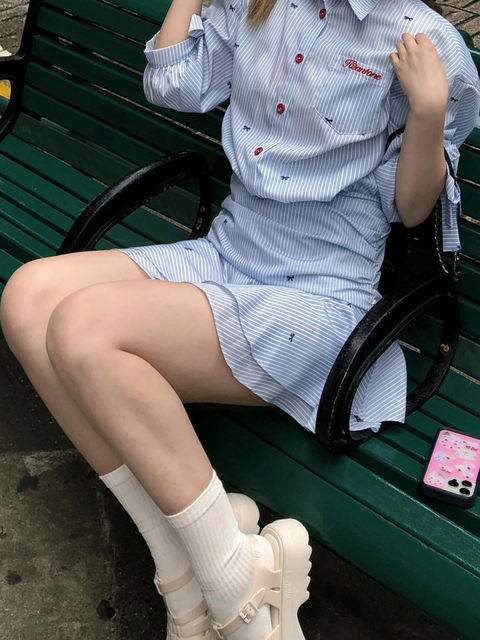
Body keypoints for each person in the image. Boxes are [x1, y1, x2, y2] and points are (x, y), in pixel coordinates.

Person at [1, 0, 479, 638]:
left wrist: (428, 111)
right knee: (28, 298)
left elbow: (413, 210)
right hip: (228, 254)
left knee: (82, 330)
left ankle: (235, 599)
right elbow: (173, 85)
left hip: (319, 297)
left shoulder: (425, 41)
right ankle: (194, 573)